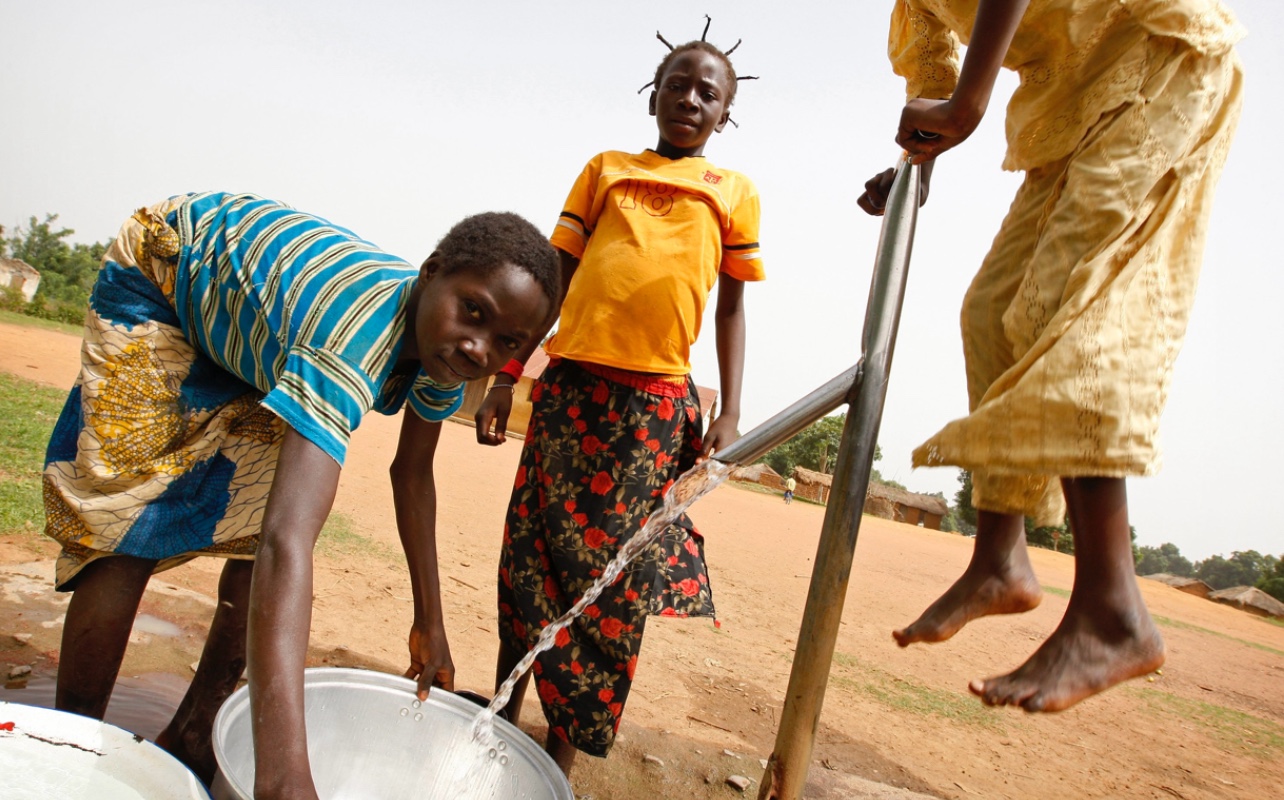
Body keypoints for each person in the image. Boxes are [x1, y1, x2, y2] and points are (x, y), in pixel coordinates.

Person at [42, 191, 559, 798]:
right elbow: (291, 543)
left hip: (258, 337)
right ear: (431, 272)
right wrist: (286, 776)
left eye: (506, 342)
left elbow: (413, 474)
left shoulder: (444, 361)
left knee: (251, 527)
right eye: (473, 311)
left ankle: (195, 736)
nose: (480, 348)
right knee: (125, 530)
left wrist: (430, 621)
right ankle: (68, 757)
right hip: (169, 274)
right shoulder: (351, 330)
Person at [858, 0, 1243, 712]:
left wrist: (969, 103)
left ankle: (1114, 610)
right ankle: (1000, 558)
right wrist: (918, 167)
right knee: (991, 314)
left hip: (1155, 60)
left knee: (1062, 304)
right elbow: (935, 74)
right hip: (1069, 104)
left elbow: (962, 96)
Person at [473, 37, 764, 774]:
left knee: (609, 585)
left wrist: (728, 406)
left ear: (726, 115)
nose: (690, 100)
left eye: (708, 94)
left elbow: (731, 308)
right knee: (529, 556)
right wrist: (510, 371)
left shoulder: (734, 190)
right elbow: (555, 275)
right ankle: (500, 718)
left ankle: (557, 758)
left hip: (653, 409)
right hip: (569, 392)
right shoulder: (606, 170)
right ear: (653, 91)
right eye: (678, 84)